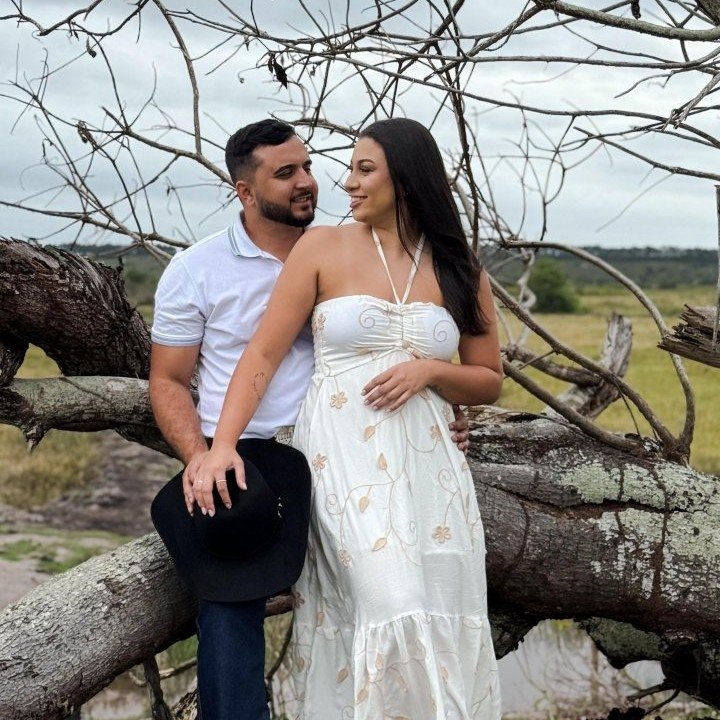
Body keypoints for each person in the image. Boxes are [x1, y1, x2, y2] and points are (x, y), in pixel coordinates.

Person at [148, 118, 470, 720]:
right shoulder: (196, 270)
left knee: (386, 597)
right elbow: (168, 381)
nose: (308, 182)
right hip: (252, 455)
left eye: (308, 167)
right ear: (245, 191)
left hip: (353, 451)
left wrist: (442, 408)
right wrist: (203, 455)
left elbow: (408, 343)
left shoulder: (353, 246)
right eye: (285, 173)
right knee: (229, 604)